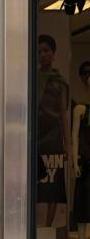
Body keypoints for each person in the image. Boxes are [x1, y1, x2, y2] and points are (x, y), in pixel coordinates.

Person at [36, 34, 71, 229]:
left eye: (46, 51)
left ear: (54, 53)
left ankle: (48, 227)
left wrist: (68, 145)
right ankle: (38, 226)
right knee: (38, 185)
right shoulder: (32, 80)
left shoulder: (60, 82)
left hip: (54, 140)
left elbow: (64, 116)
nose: (43, 55)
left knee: (53, 188)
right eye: (40, 51)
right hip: (37, 139)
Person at [71, 61, 90, 239]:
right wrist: (75, 162)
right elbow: (74, 137)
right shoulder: (80, 109)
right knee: (84, 203)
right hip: (86, 162)